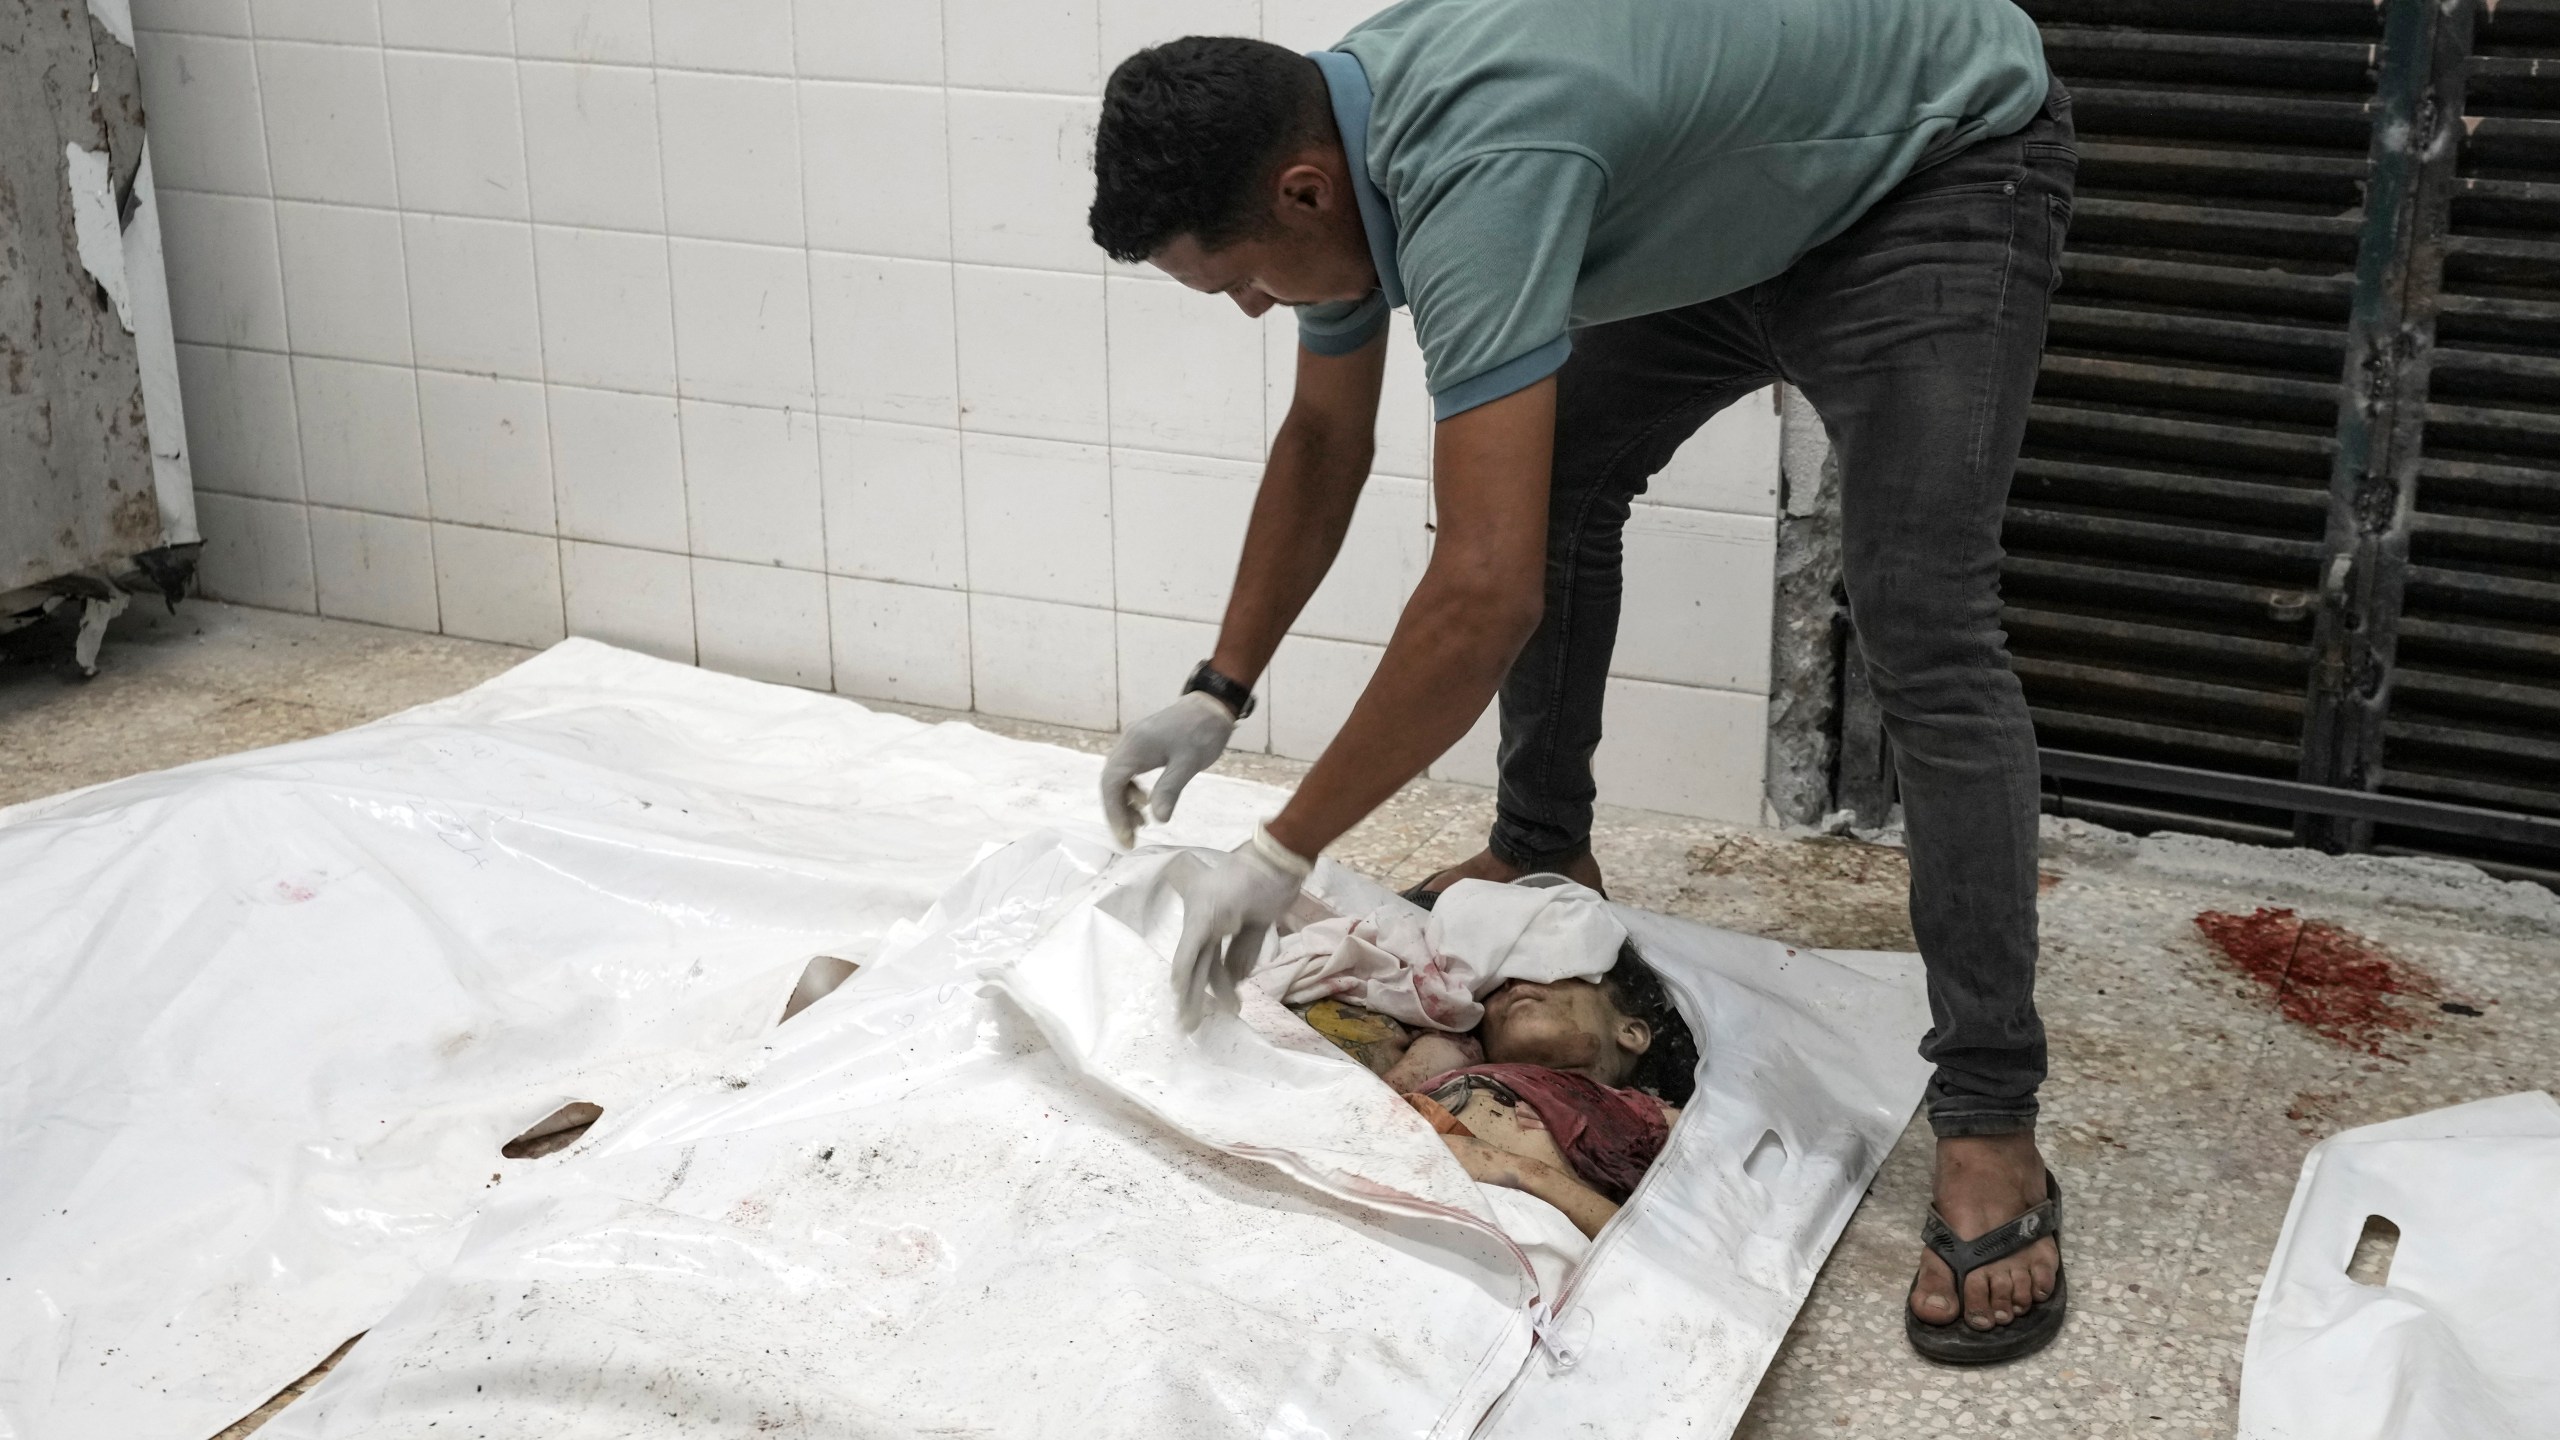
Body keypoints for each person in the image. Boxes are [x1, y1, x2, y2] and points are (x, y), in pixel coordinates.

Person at [1088, 0, 2071, 1363]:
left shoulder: (1474, 172)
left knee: (1922, 619)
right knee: (1550, 489)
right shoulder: (1326, 143)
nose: (1256, 307)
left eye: (1242, 279)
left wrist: (1278, 850)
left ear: (1301, 190)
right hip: (1751, 198)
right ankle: (1543, 853)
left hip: (1931, 175)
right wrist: (1219, 686)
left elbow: (1484, 595)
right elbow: (1327, 432)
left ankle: (1991, 1116)